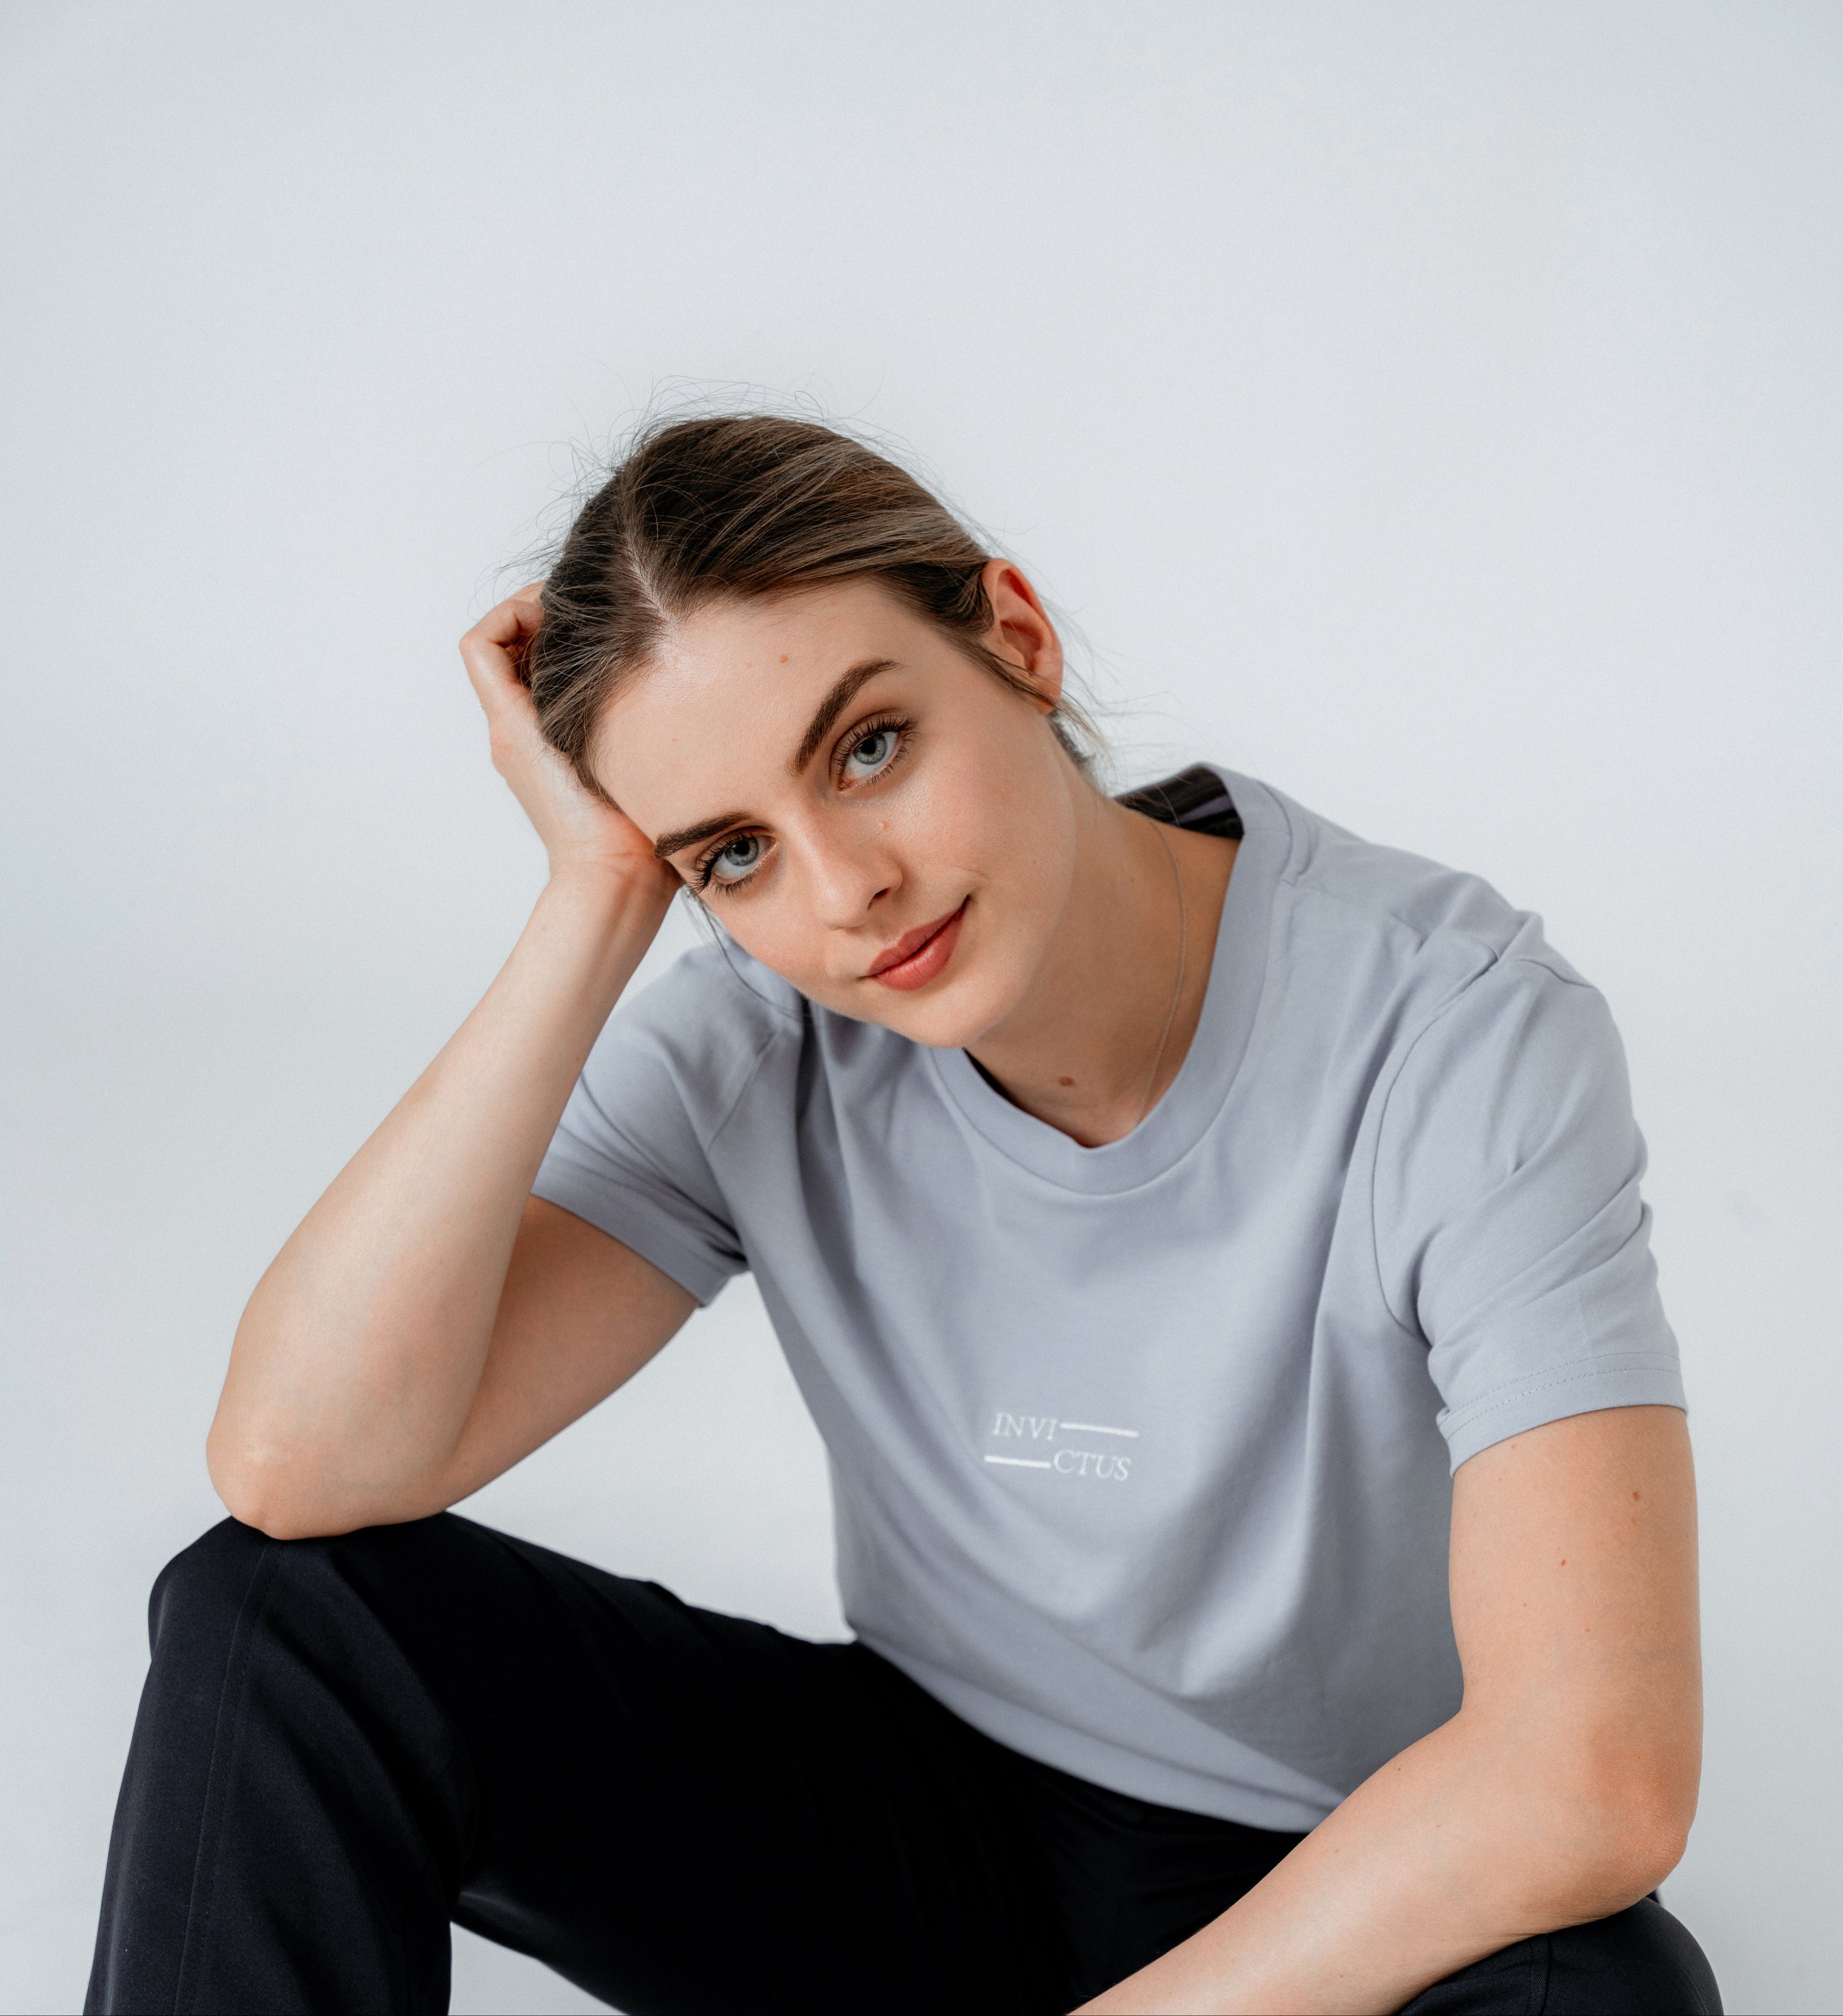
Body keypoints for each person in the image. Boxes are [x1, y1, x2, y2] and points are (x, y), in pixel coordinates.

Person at [87, 415, 1721, 2015]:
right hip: (922, 1828)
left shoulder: (1453, 1031)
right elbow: (298, 1466)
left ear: (1017, 641)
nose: (845, 889)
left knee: (1615, 1994)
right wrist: (593, 895)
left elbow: (1592, 1775)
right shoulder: (762, 1039)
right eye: (735, 854)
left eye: (870, 747)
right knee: (276, 1617)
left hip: (1343, 1875)